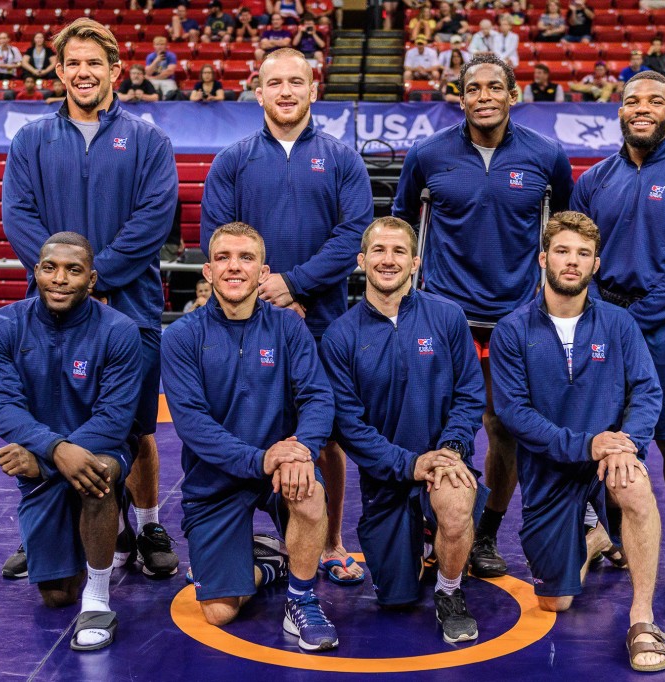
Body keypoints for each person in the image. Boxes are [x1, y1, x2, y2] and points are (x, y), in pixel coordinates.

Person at [2, 18, 180, 583]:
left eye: (94, 64)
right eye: (73, 63)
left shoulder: (148, 140)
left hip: (131, 305)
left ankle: (147, 523)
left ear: (115, 71)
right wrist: (65, 278)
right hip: (48, 312)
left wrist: (87, 275)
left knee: (137, 426)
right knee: (51, 420)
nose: (83, 73)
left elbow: (154, 219)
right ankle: (48, 532)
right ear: (59, 70)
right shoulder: (31, 140)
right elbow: (17, 217)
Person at [393, 54, 574, 578]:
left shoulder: (546, 155)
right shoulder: (428, 154)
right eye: (474, 88)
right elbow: (402, 225)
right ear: (462, 96)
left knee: (503, 428)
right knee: (428, 425)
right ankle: (430, 527)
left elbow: (564, 225)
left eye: (496, 87)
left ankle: (486, 533)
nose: (485, 96)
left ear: (513, 94)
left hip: (515, 320)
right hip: (442, 316)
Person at [200, 48, 374, 585]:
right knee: (243, 420)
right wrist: (263, 290)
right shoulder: (233, 160)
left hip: (324, 318)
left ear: (313, 90)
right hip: (245, 318)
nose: (286, 92)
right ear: (258, 93)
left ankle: (332, 541)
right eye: (274, 83)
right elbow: (219, 239)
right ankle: (238, 529)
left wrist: (294, 284)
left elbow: (354, 236)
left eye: (296, 82)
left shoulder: (342, 158)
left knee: (328, 431)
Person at [490, 211, 665, 673]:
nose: (572, 262)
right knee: (556, 601)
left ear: (595, 265)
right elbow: (515, 414)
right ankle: (593, 539)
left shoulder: (619, 323)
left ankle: (641, 619)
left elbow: (647, 390)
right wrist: (587, 444)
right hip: (552, 466)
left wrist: (627, 444)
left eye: (583, 254)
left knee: (635, 488)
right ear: (543, 258)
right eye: (563, 251)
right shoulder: (512, 330)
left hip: (609, 457)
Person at [570, 70, 665, 600]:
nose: (642, 108)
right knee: (603, 439)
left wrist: (629, 323)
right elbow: (578, 257)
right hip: (600, 321)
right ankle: (610, 537)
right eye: (632, 100)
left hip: (661, 326)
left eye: (655, 101)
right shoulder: (592, 182)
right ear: (619, 110)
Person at [161, 223, 339, 651]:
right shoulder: (182, 337)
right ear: (207, 271)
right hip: (217, 480)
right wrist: (264, 458)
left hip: (280, 473)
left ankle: (301, 600)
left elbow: (317, 397)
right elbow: (193, 425)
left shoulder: (288, 327)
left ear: (264, 272)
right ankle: (269, 564)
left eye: (246, 258)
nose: (234, 267)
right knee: (220, 610)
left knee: (310, 489)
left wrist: (302, 450)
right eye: (223, 258)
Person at [320, 217, 487, 643]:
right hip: (388, 480)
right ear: (361, 261)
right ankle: (422, 539)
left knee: (452, 502)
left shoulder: (447, 317)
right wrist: (410, 464)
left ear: (415, 262)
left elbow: (470, 394)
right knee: (396, 597)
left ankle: (449, 591)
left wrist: (450, 450)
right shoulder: (340, 336)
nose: (388, 260)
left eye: (398, 252)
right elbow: (349, 426)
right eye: (378, 251)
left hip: (446, 463)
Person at [0, 233, 142, 653]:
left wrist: (43, 461)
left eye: (73, 270)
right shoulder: (1, 326)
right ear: (35, 272)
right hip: (42, 454)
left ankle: (98, 599)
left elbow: (116, 418)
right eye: (50, 267)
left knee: (98, 475)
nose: (60, 278)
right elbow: (3, 407)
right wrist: (54, 453)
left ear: (91, 280)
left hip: (100, 447)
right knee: (56, 596)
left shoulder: (120, 331)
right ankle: (116, 528)